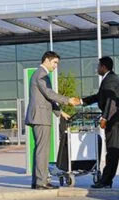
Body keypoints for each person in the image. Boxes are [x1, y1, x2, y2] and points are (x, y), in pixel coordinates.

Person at [25, 51, 79, 190]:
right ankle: (41, 182)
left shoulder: (39, 74)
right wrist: (68, 100)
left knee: (40, 150)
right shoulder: (41, 74)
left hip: (39, 116)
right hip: (41, 117)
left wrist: (60, 112)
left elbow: (46, 97)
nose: (56, 66)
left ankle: (37, 181)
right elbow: (49, 94)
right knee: (42, 150)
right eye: (55, 63)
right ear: (47, 60)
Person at [81, 56, 119, 188]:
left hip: (116, 120)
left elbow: (111, 100)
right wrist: (82, 101)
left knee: (113, 151)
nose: (97, 68)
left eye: (98, 66)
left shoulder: (110, 80)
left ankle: (106, 181)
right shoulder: (110, 79)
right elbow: (100, 97)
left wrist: (104, 118)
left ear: (104, 67)